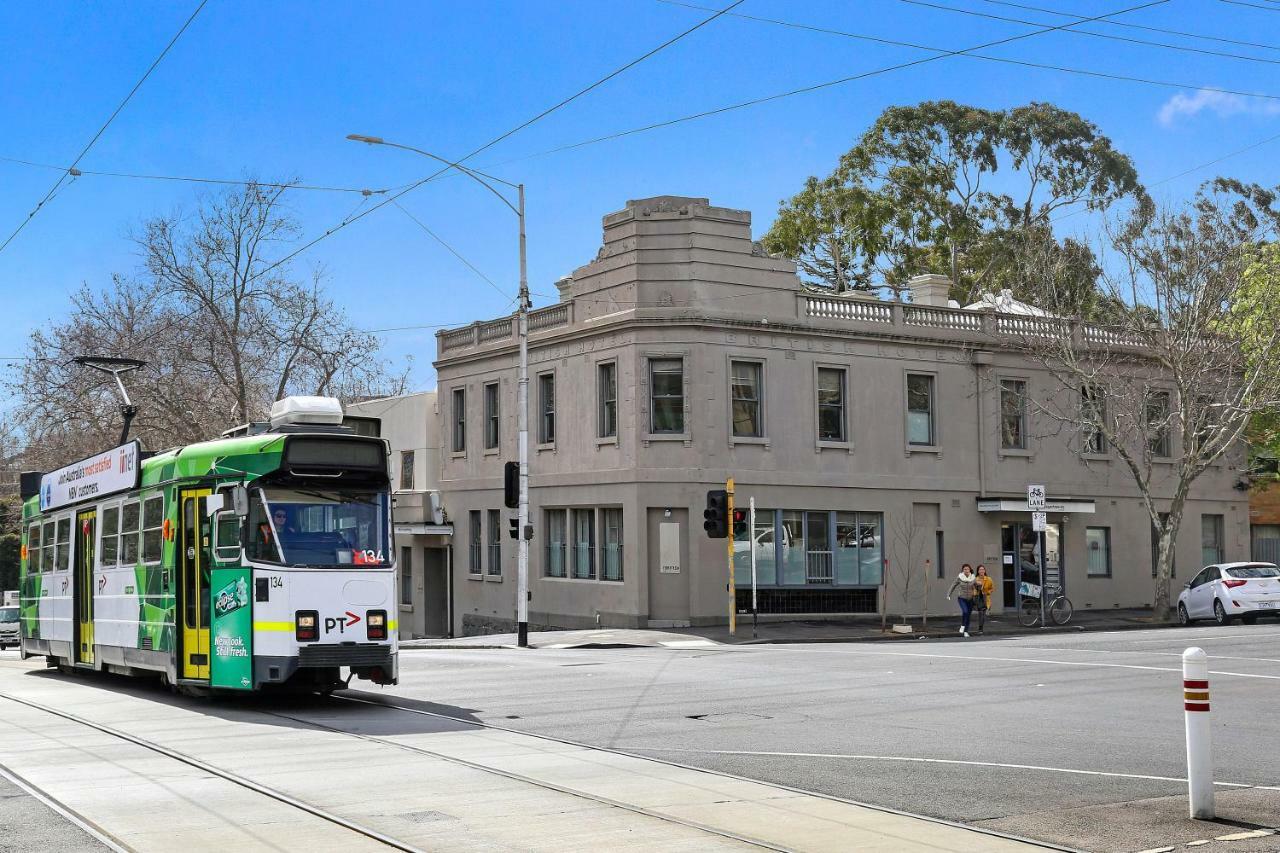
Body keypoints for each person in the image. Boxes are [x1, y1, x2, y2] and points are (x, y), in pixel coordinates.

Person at [947, 563, 978, 637]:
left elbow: (976, 587)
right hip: (962, 598)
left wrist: (979, 586)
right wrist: (949, 594)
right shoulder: (960, 577)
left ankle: (966, 631)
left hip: (970, 599)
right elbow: (953, 585)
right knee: (965, 611)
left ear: (970, 569)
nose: (966, 570)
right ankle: (962, 625)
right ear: (963, 570)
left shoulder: (973, 578)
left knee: (968, 615)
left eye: (967, 569)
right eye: (964, 569)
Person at [973, 564, 994, 635]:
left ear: (985, 571)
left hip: (985, 598)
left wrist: (987, 592)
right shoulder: (975, 579)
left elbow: (992, 588)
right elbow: (973, 588)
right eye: (980, 570)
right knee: (980, 613)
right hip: (978, 598)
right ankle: (980, 628)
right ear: (978, 571)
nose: (981, 571)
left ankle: (981, 627)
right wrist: (976, 590)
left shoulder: (989, 579)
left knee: (983, 615)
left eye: (983, 569)